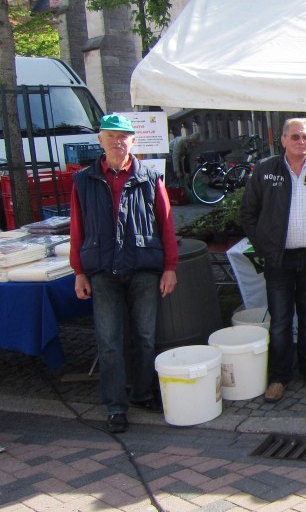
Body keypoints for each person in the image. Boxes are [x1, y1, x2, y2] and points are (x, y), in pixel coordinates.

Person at [70, 114, 179, 434]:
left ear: (133, 141)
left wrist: (170, 267)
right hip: (102, 270)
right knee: (109, 341)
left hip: (143, 266)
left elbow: (166, 223)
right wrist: (78, 271)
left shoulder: (148, 177)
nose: (118, 142)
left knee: (145, 337)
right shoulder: (84, 180)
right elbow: (78, 227)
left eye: (124, 136)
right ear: (100, 140)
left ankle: (142, 392)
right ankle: (116, 406)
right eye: (111, 136)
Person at [240, 117, 306, 403]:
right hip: (279, 261)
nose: (301, 142)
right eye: (295, 137)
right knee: (280, 321)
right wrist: (267, 248)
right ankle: (279, 376)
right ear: (282, 140)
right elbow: (247, 214)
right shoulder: (265, 171)